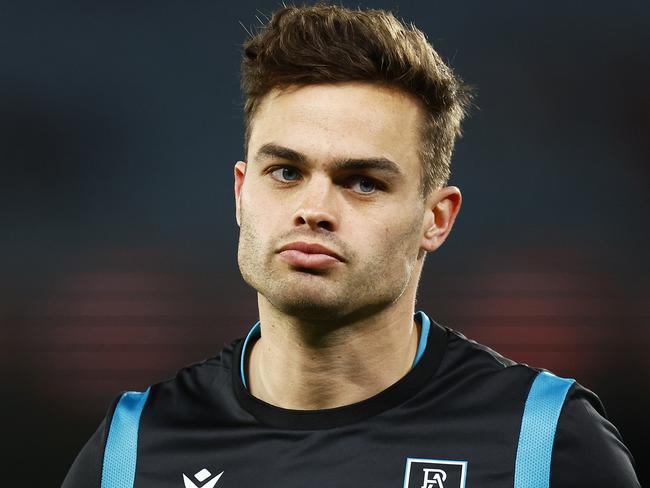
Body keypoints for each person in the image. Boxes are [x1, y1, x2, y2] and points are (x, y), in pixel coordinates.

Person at [62, 5, 640, 488]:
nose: (313, 208)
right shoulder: (132, 452)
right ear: (241, 194)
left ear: (435, 220)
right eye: (285, 172)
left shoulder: (542, 442)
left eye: (363, 181)